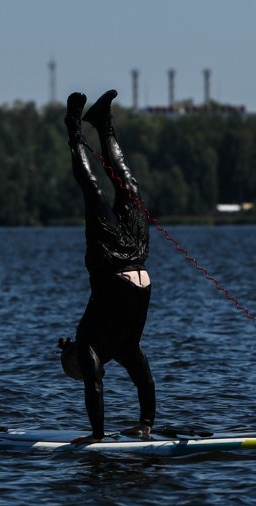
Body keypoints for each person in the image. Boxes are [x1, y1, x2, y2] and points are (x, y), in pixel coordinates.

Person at [59, 89, 155, 445]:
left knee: (98, 190)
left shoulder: (89, 343)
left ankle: (82, 126)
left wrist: (96, 436)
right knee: (124, 189)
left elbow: (95, 385)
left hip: (114, 260)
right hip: (136, 259)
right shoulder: (125, 349)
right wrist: (145, 425)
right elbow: (139, 381)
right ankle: (101, 125)